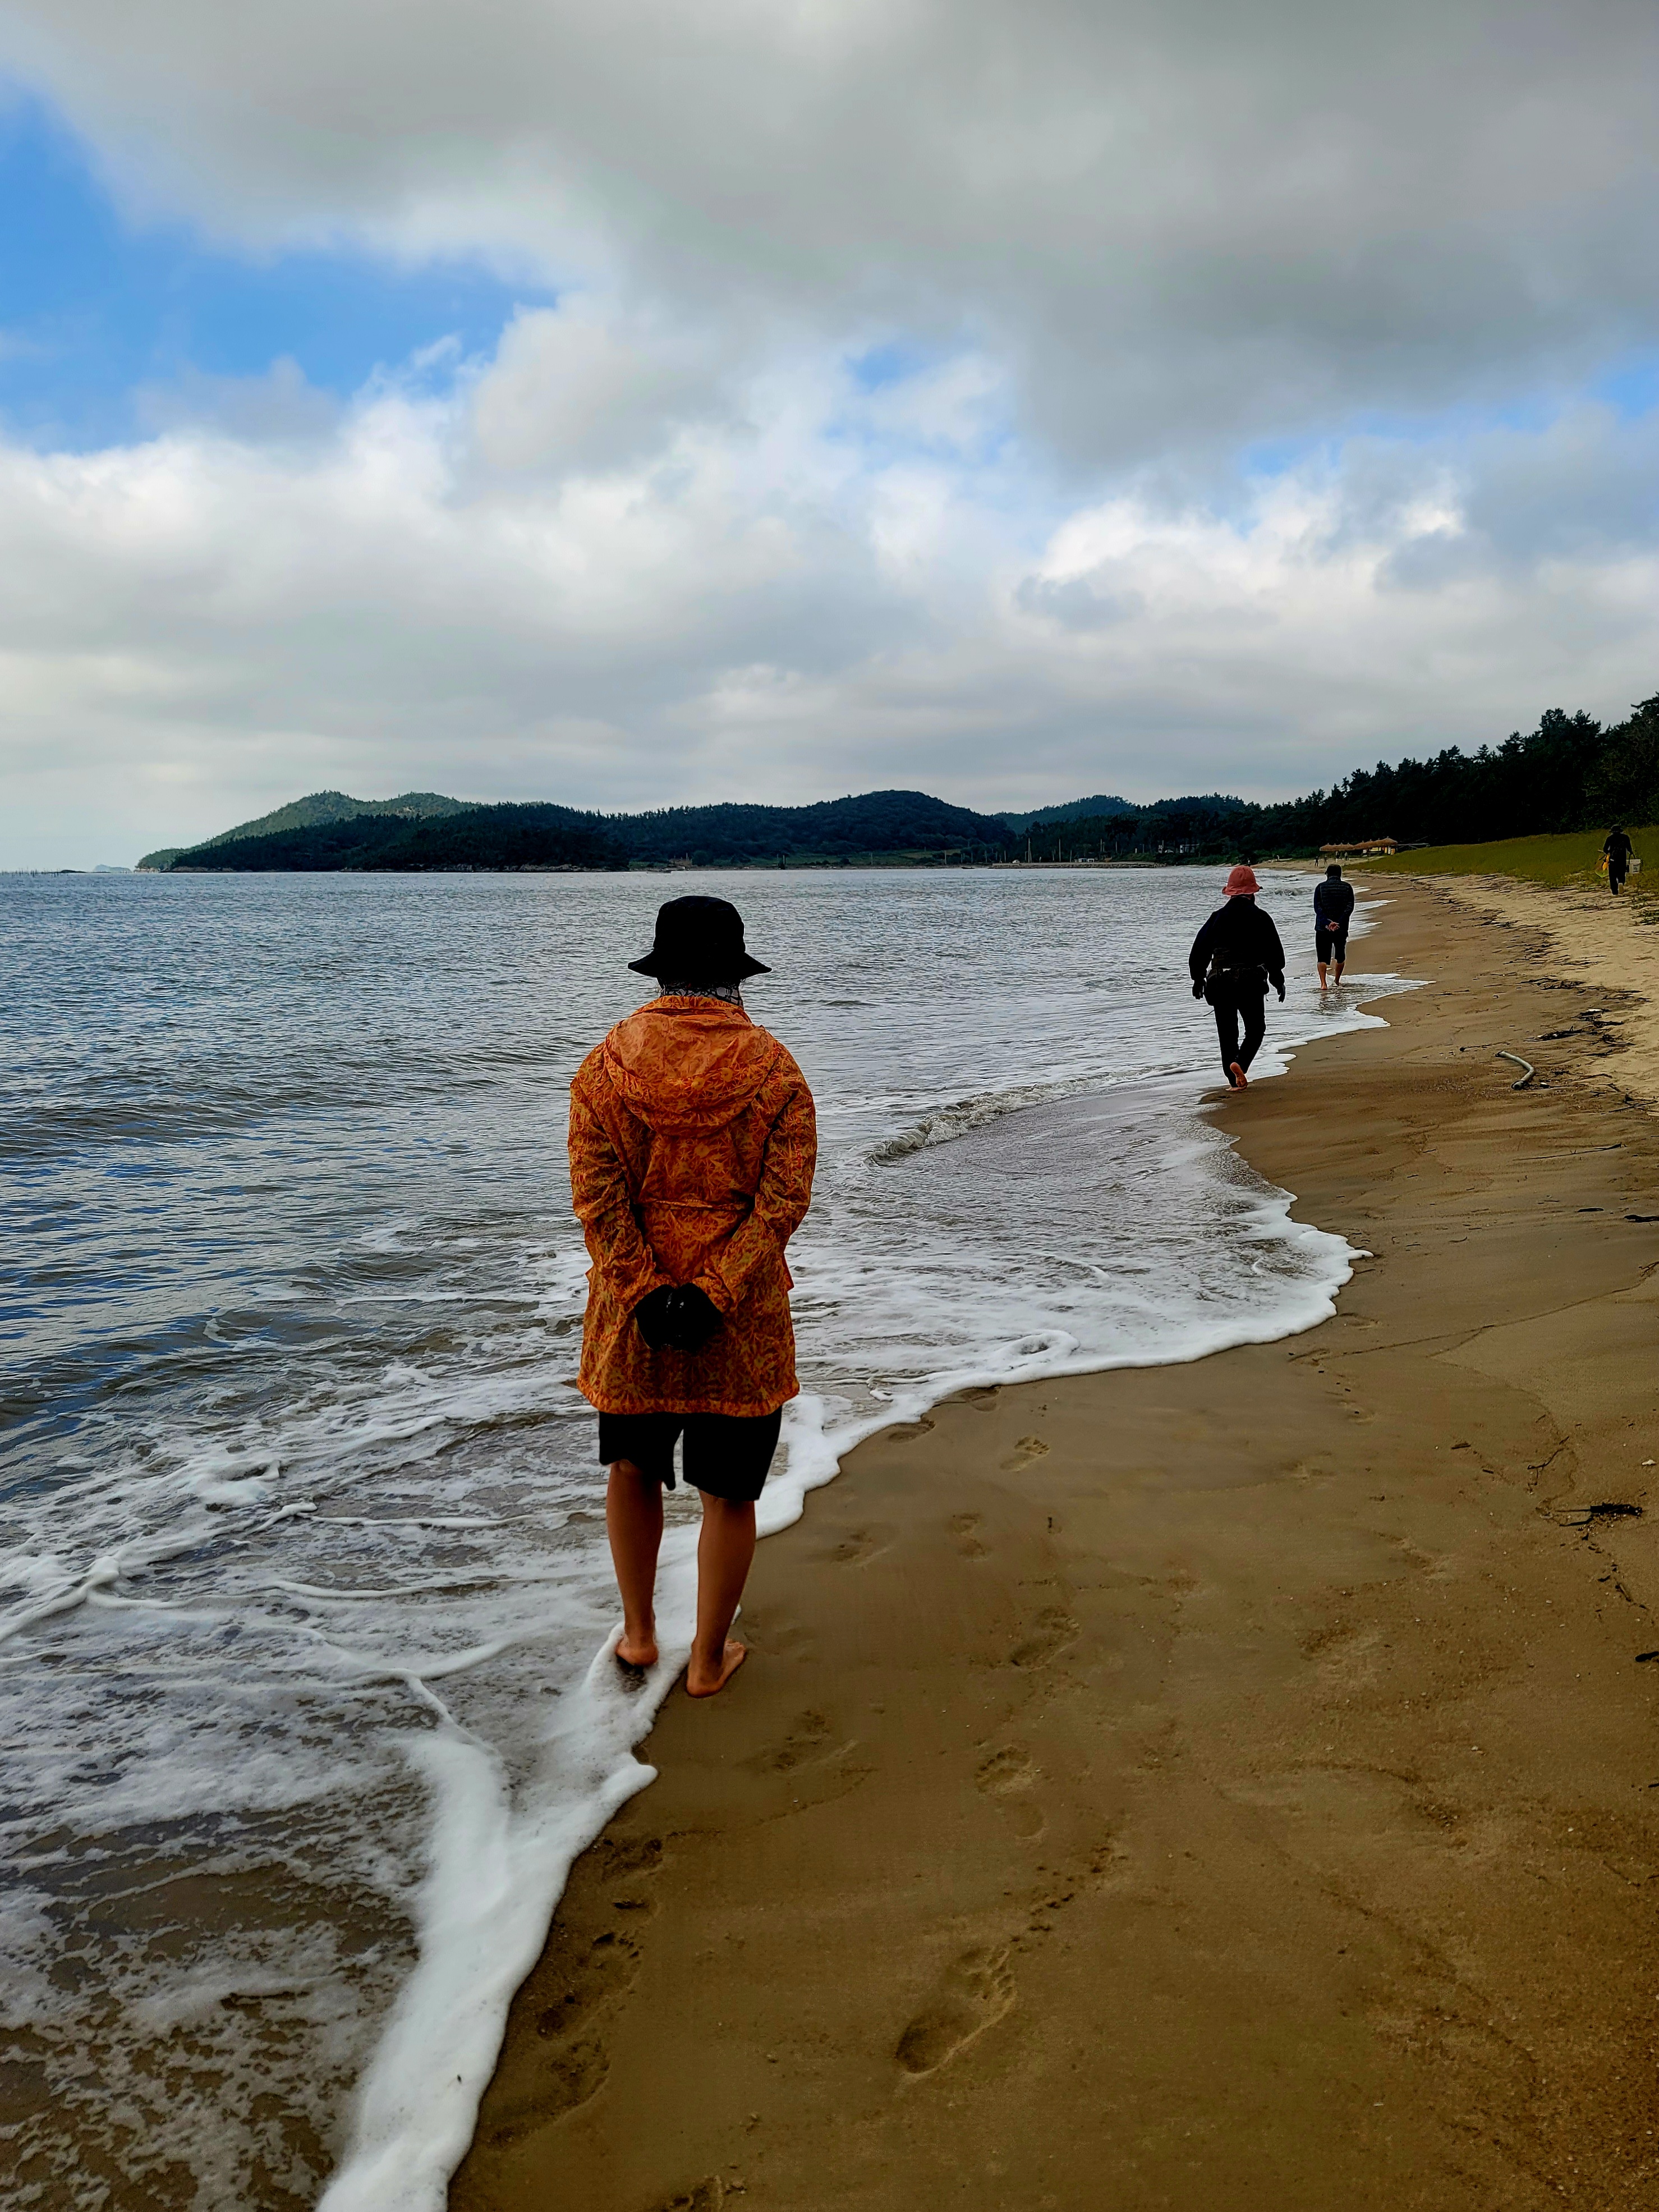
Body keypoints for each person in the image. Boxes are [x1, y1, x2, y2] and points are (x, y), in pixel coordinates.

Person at [568, 894, 816, 1698]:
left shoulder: (605, 1065)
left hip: (632, 1314)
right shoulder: (775, 1068)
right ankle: (708, 1660)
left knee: (632, 1469)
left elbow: (597, 1199)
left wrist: (645, 1291)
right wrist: (714, 1291)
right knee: (728, 1494)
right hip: (739, 1316)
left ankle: (640, 1636)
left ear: (661, 973)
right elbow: (782, 1202)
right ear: (735, 974)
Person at [1188, 864, 1286, 1090]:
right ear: (1253, 893)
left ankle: (1234, 1082)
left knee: (1227, 1035)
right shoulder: (1261, 917)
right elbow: (1274, 954)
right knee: (1256, 1030)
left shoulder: (1216, 918)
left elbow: (1199, 951)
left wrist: (1198, 979)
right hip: (1250, 981)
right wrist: (1278, 980)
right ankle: (1240, 1064)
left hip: (1220, 982)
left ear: (1230, 893)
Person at [1313, 862, 1357, 988]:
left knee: (1322, 957)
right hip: (1341, 928)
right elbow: (1349, 907)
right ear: (1340, 875)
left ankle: (1323, 984)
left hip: (1322, 928)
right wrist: (1339, 922)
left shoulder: (1320, 887)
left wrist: (1327, 922)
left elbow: (1318, 908)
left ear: (1327, 874)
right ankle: (1337, 981)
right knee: (1340, 955)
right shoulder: (1347, 887)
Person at [1604, 827, 1635, 894]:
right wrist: (1631, 852)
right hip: (1622, 859)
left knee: (1613, 875)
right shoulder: (1626, 837)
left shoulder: (1610, 838)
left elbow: (1605, 849)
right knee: (1622, 872)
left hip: (1612, 859)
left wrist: (1608, 853)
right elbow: (1629, 848)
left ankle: (1615, 891)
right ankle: (1621, 883)